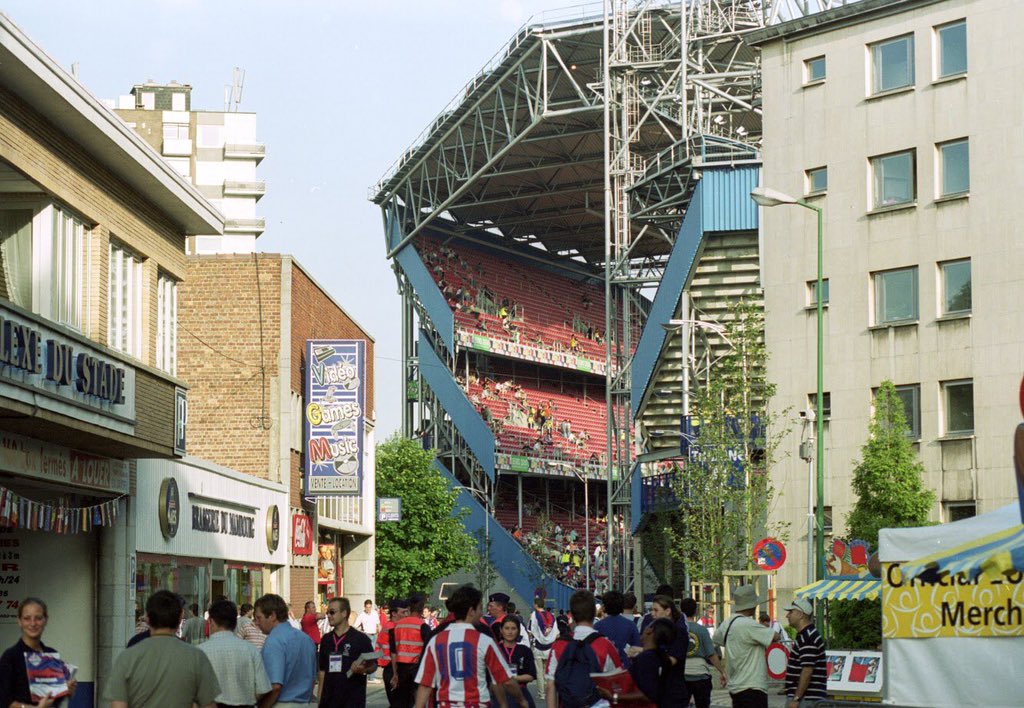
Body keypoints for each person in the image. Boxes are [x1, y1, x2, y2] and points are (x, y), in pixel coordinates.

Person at [413, 585, 528, 708]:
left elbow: (425, 683)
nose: (481, 613)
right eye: (479, 608)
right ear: (471, 611)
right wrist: (520, 701)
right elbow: (504, 679)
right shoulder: (483, 640)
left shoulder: (436, 639)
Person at [106, 590, 220, 708]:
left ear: (147, 618)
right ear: (180, 619)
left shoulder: (127, 657)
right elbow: (208, 705)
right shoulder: (196, 657)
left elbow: (118, 705)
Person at [545, 590, 622, 708]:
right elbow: (617, 684)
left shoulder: (559, 645)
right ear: (594, 612)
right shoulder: (606, 645)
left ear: (572, 614)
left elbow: (551, 685)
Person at [0, 598, 77, 708]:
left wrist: (66, 690)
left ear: (46, 620)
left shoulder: (51, 654)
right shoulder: (11, 656)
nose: (33, 623)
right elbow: (4, 701)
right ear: (19, 621)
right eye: (27, 618)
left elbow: (55, 699)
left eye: (38, 618)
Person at [712, 586, 779, 708]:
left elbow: (716, 638)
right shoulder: (750, 625)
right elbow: (775, 636)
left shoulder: (727, 623)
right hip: (753, 686)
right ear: (752, 605)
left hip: (735, 686)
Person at [199, 599, 272, 708]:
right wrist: (248, 699)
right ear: (235, 622)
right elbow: (263, 688)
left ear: (211, 621)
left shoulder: (200, 651)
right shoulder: (251, 650)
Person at [254, 593, 318, 707]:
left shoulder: (274, 641)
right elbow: (312, 680)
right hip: (305, 703)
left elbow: (275, 686)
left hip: (281, 702)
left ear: (272, 616)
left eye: (259, 618)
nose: (257, 623)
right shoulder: (307, 640)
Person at [317, 597, 378, 708]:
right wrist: (320, 700)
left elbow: (373, 665)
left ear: (344, 613)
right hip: (329, 701)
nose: (328, 616)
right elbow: (322, 671)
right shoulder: (326, 639)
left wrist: (363, 669)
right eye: (327, 613)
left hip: (352, 700)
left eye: (332, 612)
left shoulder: (361, 639)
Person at [680, 598, 727, 708]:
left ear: (681, 611)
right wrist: (722, 671)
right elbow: (711, 654)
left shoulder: (677, 629)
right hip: (700, 676)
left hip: (682, 675)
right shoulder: (702, 630)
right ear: (695, 611)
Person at [783, 598, 827, 708]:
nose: (787, 616)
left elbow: (807, 670)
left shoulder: (807, 637)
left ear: (800, 614)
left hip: (806, 699)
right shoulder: (806, 635)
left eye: (791, 612)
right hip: (807, 697)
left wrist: (796, 699)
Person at [648, 594, 690, 706]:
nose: (652, 614)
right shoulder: (655, 631)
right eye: (652, 610)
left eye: (656, 610)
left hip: (673, 691)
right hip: (658, 690)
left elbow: (672, 660)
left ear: (667, 611)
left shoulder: (679, 633)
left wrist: (646, 653)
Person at [390, 593, 431, 706]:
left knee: (403, 700)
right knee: (418, 699)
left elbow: (393, 652)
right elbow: (429, 650)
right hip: (417, 667)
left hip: (401, 668)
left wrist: (395, 673)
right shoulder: (423, 626)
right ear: (422, 610)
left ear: (409, 609)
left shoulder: (397, 625)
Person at [493, 616, 537, 708]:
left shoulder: (525, 650)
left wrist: (512, 679)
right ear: (501, 630)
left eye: (513, 628)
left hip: (521, 692)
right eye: (506, 628)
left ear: (518, 631)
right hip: (500, 693)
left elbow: (531, 676)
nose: (510, 632)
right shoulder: (495, 650)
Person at [594, 590, 641, 669]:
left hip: (604, 669)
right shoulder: (631, 625)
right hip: (625, 668)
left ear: (604, 606)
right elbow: (637, 649)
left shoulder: (597, 626)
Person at [376, 598, 407, 707]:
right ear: (394, 613)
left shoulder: (389, 626)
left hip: (388, 668)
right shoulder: (393, 628)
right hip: (392, 668)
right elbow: (394, 651)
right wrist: (395, 674)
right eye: (403, 612)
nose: (405, 615)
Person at [527, 595, 558, 698]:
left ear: (536, 605)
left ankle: (542, 693)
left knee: (539, 671)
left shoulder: (533, 615)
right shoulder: (552, 616)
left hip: (538, 647)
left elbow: (530, 631)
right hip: (549, 647)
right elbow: (557, 633)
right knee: (546, 670)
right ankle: (548, 690)